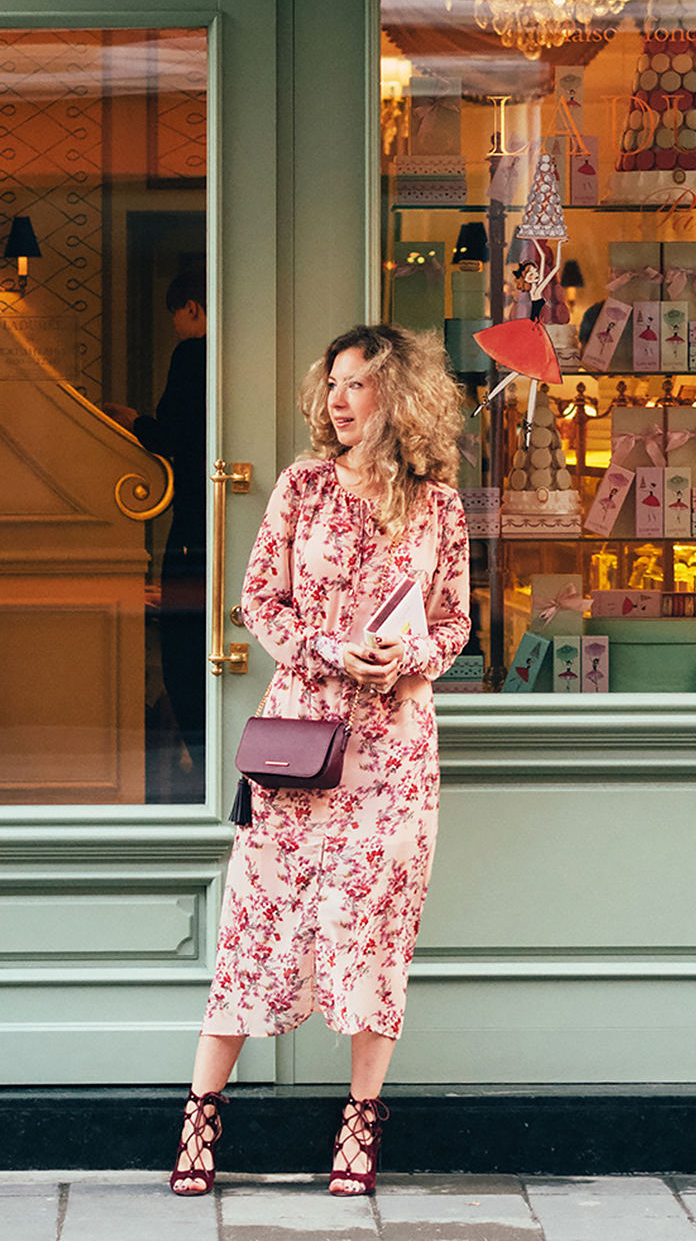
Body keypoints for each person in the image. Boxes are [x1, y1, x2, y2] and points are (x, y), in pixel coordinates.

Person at [169, 324, 470, 1198]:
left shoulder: (440, 507)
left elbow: (453, 625)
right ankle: (199, 1118)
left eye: (357, 385)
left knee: (374, 936)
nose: (337, 401)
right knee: (256, 924)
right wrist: (334, 652)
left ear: (399, 398)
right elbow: (257, 600)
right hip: (300, 746)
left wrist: (409, 660)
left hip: (395, 755)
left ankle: (359, 1127)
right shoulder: (301, 489)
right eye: (332, 384)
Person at [108, 269, 209, 789]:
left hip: (193, 519)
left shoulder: (194, 354)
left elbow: (174, 435)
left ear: (191, 308)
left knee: (183, 646)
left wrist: (132, 422)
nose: (175, 325)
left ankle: (201, 761)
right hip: (218, 521)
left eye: (176, 314)